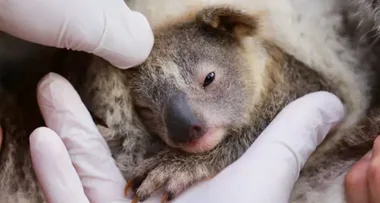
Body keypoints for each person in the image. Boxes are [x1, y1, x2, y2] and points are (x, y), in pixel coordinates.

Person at [0, 0, 375, 202]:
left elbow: (321, 93)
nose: (185, 125)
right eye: (150, 110)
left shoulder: (265, 50)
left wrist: (211, 160)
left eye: (208, 81)